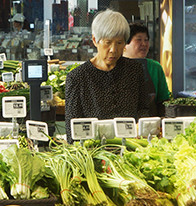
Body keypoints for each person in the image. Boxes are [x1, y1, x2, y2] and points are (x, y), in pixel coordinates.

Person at [64, 9, 155, 142]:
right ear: (95, 41)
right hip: (94, 149)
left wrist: (141, 129)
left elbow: (143, 109)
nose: (113, 49)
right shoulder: (77, 77)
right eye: (108, 42)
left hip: (131, 147)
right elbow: (72, 129)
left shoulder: (134, 70)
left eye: (119, 43)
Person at [123, 24, 171, 115]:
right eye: (139, 40)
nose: (144, 44)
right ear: (125, 44)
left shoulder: (155, 67)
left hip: (151, 123)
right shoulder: (116, 66)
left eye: (146, 40)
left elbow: (163, 100)